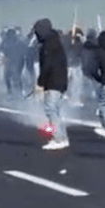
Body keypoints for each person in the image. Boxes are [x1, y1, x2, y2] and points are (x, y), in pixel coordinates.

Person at [33, 19, 70, 150]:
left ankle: (58, 138)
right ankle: (63, 138)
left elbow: (47, 66)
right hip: (60, 81)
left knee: (50, 109)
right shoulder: (56, 42)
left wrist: (40, 83)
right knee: (56, 110)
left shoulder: (48, 45)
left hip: (53, 82)